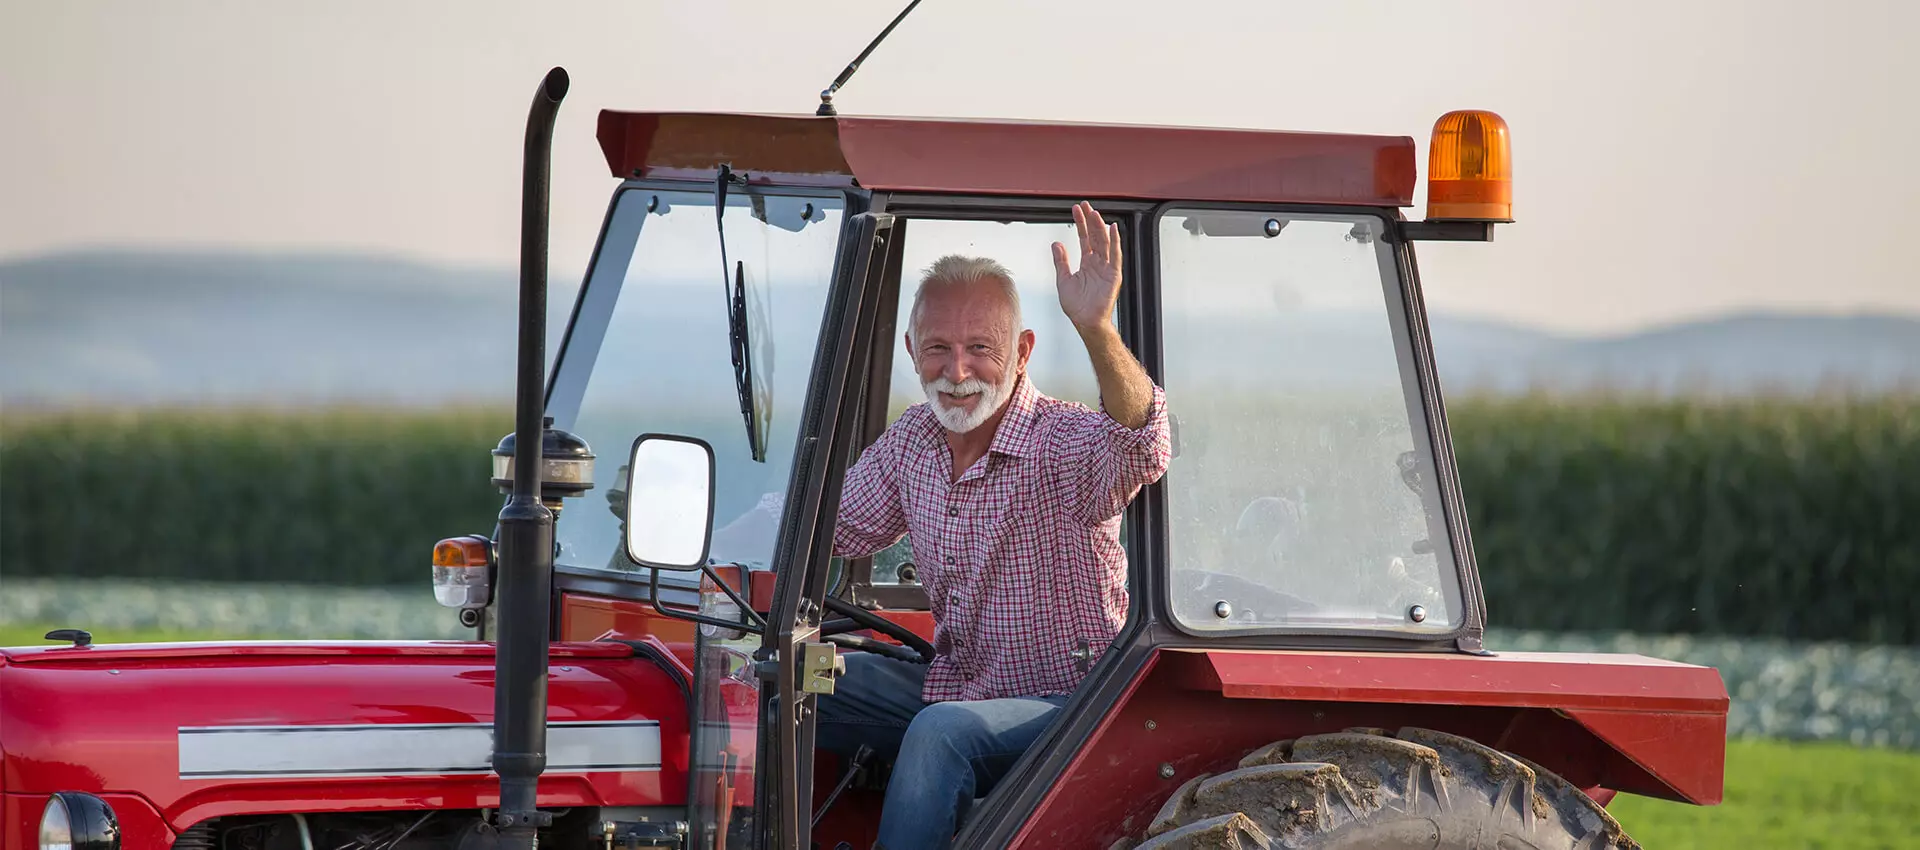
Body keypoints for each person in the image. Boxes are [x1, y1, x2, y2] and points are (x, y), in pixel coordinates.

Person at [814, 202, 1172, 850]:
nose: (956, 373)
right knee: (792, 683)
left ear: (1022, 352)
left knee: (940, 733)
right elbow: (828, 529)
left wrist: (1096, 330)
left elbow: (1141, 445)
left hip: (1076, 707)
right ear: (910, 353)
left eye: (980, 349)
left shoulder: (1059, 443)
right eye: (939, 350)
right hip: (963, 684)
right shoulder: (914, 442)